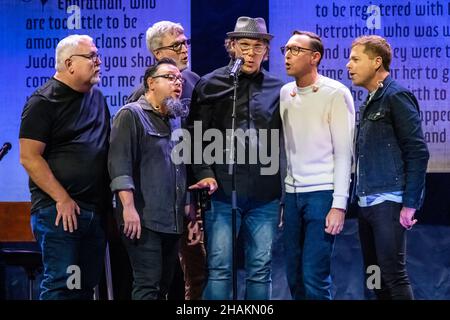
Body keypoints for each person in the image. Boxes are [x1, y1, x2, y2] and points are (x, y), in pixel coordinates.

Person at [188, 16, 284, 300]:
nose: (251, 53)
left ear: (266, 51)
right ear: (231, 47)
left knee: (260, 268)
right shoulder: (210, 84)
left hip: (265, 194)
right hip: (222, 191)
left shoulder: (279, 89)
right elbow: (195, 136)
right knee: (219, 268)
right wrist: (204, 172)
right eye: (244, 45)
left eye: (258, 47)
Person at [19, 34, 110, 300]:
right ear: (69, 63)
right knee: (63, 285)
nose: (99, 61)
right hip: (60, 212)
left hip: (94, 211)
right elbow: (29, 157)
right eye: (91, 56)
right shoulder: (43, 102)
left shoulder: (97, 99)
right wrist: (63, 198)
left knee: (83, 287)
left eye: (98, 55)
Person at [108, 58, 199, 300]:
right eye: (170, 77)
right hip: (142, 219)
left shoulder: (175, 119)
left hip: (172, 219)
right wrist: (128, 208)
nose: (177, 82)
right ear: (151, 83)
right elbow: (119, 165)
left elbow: (181, 167)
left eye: (179, 79)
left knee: (164, 285)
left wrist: (188, 210)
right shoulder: (131, 115)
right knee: (148, 284)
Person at [126, 20, 204, 300]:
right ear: (157, 54)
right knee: (158, 279)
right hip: (160, 206)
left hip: (192, 195)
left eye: (186, 42)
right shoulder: (139, 103)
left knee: (199, 271)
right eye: (177, 45)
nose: (185, 49)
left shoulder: (195, 82)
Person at [347, 35, 429, 300]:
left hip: (389, 201)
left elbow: (417, 152)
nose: (349, 65)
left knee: (393, 275)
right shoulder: (370, 100)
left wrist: (410, 203)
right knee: (374, 276)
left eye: (356, 59)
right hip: (366, 203)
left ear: (376, 62)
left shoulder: (396, 96)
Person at [280, 31, 355, 300]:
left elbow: (345, 154)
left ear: (315, 57)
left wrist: (338, 204)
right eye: (286, 49)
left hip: (323, 194)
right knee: (293, 275)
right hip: (292, 195)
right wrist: (283, 199)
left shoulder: (335, 93)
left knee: (314, 275)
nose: (288, 55)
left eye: (296, 50)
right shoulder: (285, 93)